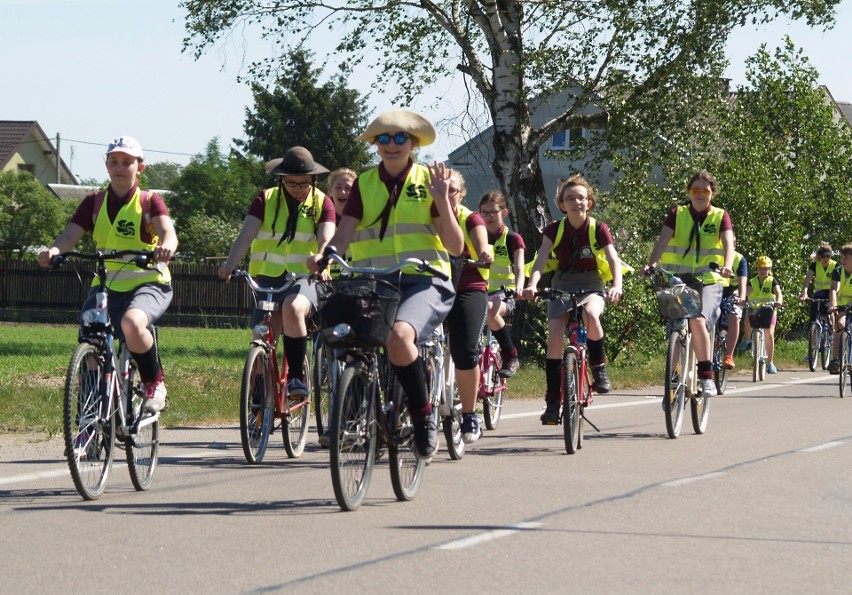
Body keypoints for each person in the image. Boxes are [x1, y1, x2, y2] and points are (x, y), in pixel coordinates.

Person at [307, 110, 463, 459]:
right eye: (384, 139)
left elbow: (455, 248)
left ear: (413, 144)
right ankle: (361, 411)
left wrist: (442, 200)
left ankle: (423, 417)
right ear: (376, 145)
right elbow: (343, 235)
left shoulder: (429, 181)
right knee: (348, 338)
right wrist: (325, 256)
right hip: (374, 280)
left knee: (399, 336)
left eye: (399, 138)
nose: (391, 145)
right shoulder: (364, 183)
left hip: (424, 280)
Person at [37, 136, 177, 413]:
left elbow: (168, 233)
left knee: (132, 324)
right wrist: (53, 251)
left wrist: (165, 248)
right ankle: (88, 425)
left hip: (149, 283)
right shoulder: (94, 202)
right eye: (114, 161)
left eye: (127, 162)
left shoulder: (149, 202)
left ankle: (154, 382)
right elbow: (69, 235)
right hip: (106, 285)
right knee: (90, 345)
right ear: (106, 165)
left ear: (140, 168)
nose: (120, 167)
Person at [218, 146, 335, 398]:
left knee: (293, 309)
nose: (297, 187)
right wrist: (229, 264)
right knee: (261, 338)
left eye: (304, 182)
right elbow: (245, 236)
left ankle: (295, 378)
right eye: (291, 182)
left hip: (305, 279)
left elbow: (327, 239)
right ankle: (259, 409)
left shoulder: (323, 202)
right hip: (267, 279)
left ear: (313, 178)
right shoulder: (265, 199)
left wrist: (322, 260)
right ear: (281, 178)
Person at [522, 174, 624, 424]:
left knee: (590, 315)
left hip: (591, 284)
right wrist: (533, 285)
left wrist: (616, 285)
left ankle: (599, 369)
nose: (576, 202)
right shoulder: (554, 229)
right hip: (562, 285)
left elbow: (613, 259)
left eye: (581, 198)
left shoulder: (598, 228)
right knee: (555, 336)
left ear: (589, 202)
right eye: (570, 198)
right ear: (562, 204)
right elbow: (541, 261)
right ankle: (553, 402)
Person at [642, 169, 734, 397]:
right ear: (688, 192)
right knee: (675, 324)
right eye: (695, 190)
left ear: (712, 194)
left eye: (705, 190)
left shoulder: (720, 216)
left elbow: (728, 244)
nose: (700, 194)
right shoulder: (677, 214)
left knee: (697, 319)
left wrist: (728, 265)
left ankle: (706, 376)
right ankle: (673, 382)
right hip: (679, 278)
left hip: (708, 279)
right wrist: (651, 265)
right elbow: (662, 241)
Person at [446, 170, 493, 443]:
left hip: (468, 286)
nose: (446, 194)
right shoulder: (424, 216)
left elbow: (479, 238)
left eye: (452, 190)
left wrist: (483, 251)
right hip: (431, 286)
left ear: (461, 194)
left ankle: (468, 414)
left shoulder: (469, 217)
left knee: (464, 351)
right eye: (440, 189)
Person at [479, 190, 526, 377]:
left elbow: (520, 268)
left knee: (490, 309)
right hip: (480, 292)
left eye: (493, 212)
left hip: (505, 295)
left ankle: (510, 354)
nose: (489, 216)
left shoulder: (513, 239)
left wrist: (520, 287)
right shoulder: (477, 236)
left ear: (503, 213)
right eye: (484, 212)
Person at [740, 256, 783, 373]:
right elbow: (747, 292)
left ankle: (770, 362)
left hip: (769, 310)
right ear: (757, 269)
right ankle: (747, 339)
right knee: (747, 320)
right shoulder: (752, 281)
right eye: (760, 268)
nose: (763, 271)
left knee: (769, 333)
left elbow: (778, 293)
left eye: (765, 269)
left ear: (769, 269)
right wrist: (743, 300)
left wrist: (779, 301)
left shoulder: (772, 281)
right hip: (755, 308)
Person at [799, 243, 836, 362]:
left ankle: (832, 335)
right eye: (824, 256)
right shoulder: (815, 265)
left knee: (830, 314)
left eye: (828, 256)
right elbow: (807, 281)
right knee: (814, 320)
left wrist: (833, 299)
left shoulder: (836, 266)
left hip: (831, 293)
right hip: (819, 294)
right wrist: (804, 293)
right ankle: (812, 351)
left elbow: (838, 283)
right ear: (819, 256)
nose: (826, 259)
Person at [827, 244, 852, 374]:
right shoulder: (838, 270)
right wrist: (833, 304)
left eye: (846, 257)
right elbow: (833, 289)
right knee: (840, 326)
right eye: (841, 257)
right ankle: (836, 361)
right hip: (842, 304)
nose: (843, 260)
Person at [721, 250, 748, 369]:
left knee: (734, 314)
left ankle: (729, 356)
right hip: (715, 291)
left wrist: (742, 298)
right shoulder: (713, 253)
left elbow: (743, 281)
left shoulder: (739, 259)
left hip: (733, 293)